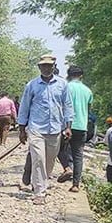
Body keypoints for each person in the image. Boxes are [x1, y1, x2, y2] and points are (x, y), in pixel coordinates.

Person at [17, 54, 74, 205]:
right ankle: (39, 192)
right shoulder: (32, 85)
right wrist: (22, 129)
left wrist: (68, 126)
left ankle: (42, 182)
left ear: (53, 67)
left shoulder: (62, 85)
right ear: (39, 67)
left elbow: (67, 105)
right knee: (38, 159)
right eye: (43, 66)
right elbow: (24, 107)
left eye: (49, 66)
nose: (46, 68)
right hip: (36, 128)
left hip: (55, 128)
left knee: (49, 160)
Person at [53, 65, 93, 192]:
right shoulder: (88, 91)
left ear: (69, 75)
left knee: (58, 149)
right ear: (81, 76)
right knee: (78, 155)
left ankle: (67, 168)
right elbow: (88, 109)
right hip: (81, 126)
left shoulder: (66, 87)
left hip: (66, 125)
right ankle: (76, 185)